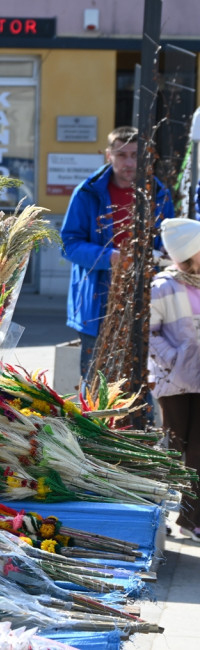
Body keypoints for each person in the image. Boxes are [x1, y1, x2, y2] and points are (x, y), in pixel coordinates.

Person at [60, 126, 175, 380]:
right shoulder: (87, 193)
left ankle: (138, 421)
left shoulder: (158, 194)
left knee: (141, 381)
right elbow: (68, 244)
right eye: (122, 155)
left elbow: (171, 244)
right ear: (108, 155)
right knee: (96, 381)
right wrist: (110, 257)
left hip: (146, 301)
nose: (129, 162)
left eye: (135, 154)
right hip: (97, 304)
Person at [149, 218, 200, 542]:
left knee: (198, 450)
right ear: (189, 253)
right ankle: (158, 512)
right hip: (175, 382)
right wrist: (174, 358)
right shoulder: (163, 286)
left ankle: (191, 518)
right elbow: (148, 332)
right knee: (172, 446)